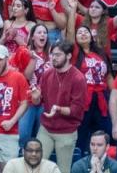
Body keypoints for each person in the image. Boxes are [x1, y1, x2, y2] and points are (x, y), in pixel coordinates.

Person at [34, 41, 86, 173]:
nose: (53, 58)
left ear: (68, 56)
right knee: (36, 166)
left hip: (66, 131)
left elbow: (76, 110)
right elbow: (38, 102)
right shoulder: (47, 74)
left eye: (58, 55)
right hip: (46, 128)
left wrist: (58, 109)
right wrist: (35, 97)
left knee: (63, 170)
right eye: (52, 54)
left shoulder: (78, 78)